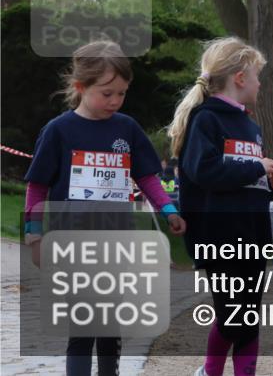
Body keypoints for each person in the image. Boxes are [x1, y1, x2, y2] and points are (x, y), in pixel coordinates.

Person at [23, 40, 186, 376]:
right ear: (81, 87)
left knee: (111, 329)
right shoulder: (58, 132)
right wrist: (33, 233)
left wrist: (168, 210)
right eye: (107, 93)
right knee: (82, 331)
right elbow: (37, 187)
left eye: (122, 94)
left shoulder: (127, 129)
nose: (115, 101)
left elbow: (147, 178)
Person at [168, 37, 273, 376]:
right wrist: (256, 167)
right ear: (239, 77)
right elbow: (203, 171)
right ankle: (210, 371)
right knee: (232, 315)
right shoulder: (206, 120)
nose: (259, 83)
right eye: (256, 75)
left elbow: (244, 185)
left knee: (247, 317)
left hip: (253, 235)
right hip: (219, 237)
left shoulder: (251, 126)